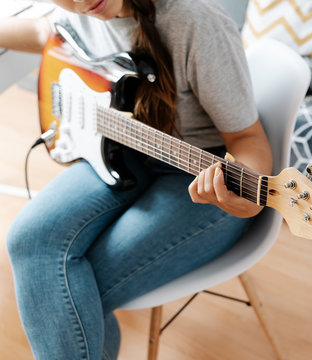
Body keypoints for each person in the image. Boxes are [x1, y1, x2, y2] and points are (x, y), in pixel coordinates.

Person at [1, 0, 272, 359]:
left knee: (65, 288)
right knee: (27, 240)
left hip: (202, 180)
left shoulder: (195, 21)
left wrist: (245, 193)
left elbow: (248, 140)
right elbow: (41, 31)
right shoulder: (78, 13)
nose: (81, 1)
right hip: (121, 153)